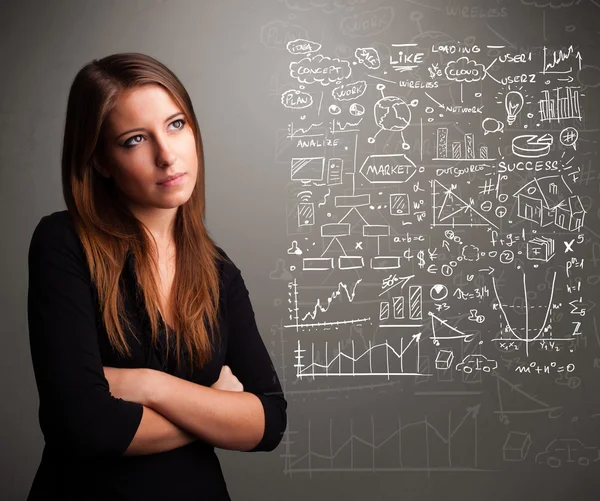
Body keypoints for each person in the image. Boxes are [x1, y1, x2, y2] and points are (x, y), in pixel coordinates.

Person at [26, 52, 287, 500]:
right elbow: (83, 425)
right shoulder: (64, 242)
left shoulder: (218, 271)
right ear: (101, 160)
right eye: (134, 140)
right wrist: (213, 405)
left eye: (176, 124)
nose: (167, 156)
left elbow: (268, 422)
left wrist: (150, 385)